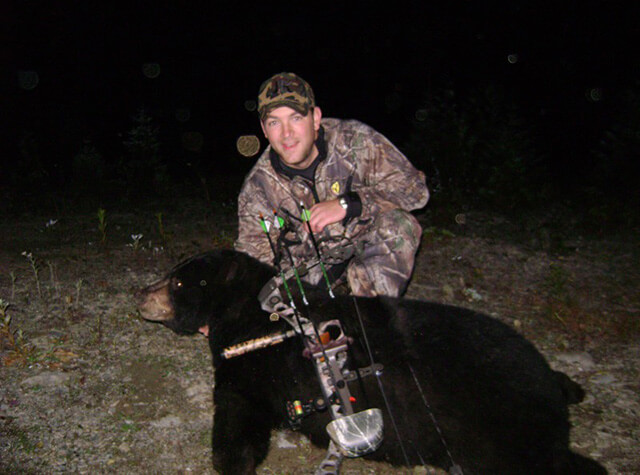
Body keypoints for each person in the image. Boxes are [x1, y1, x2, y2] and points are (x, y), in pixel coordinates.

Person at [234, 72, 429, 297]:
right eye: (274, 122)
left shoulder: (355, 141)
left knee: (400, 224)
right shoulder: (258, 186)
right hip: (310, 277)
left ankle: (369, 318)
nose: (286, 133)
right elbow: (251, 256)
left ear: (315, 118)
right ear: (264, 130)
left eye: (296, 118)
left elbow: (414, 189)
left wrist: (349, 204)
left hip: (365, 252)